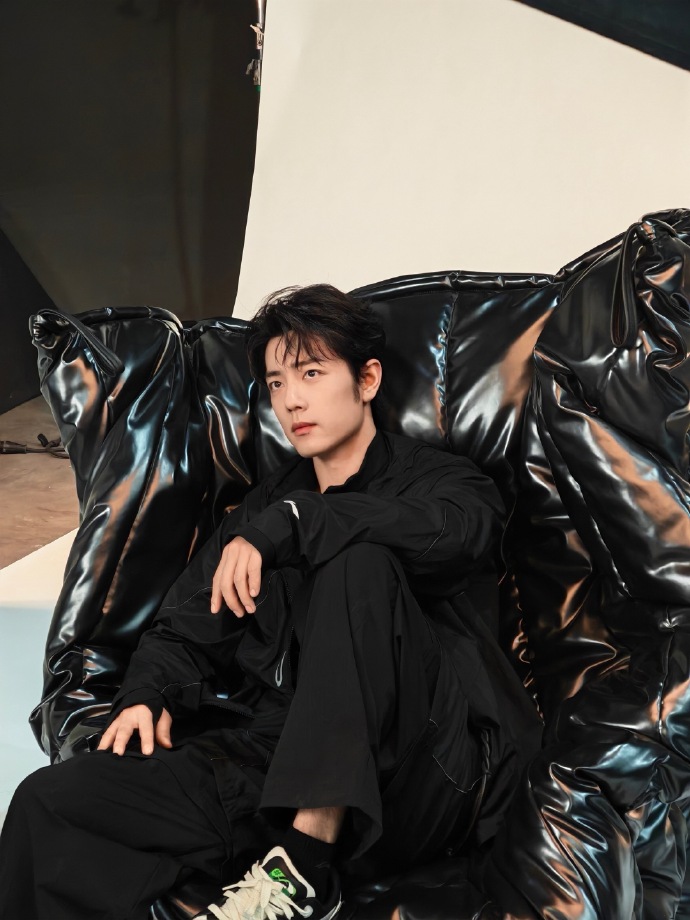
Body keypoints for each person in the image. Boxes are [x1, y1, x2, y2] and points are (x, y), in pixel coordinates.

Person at [0, 284, 540, 920]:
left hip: (421, 778)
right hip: (276, 761)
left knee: (357, 561)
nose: (291, 401)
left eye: (311, 374)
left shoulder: (442, 480)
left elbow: (459, 533)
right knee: (50, 802)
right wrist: (147, 694)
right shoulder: (261, 510)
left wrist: (299, 521)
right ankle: (291, 845)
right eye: (277, 383)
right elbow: (185, 626)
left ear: (367, 380)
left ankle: (304, 871)